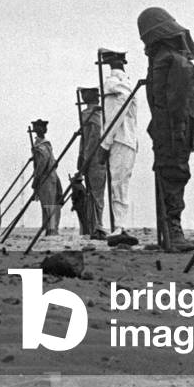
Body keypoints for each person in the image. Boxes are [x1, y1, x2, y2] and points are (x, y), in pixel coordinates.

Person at [137, 6, 194, 253]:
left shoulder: (161, 60)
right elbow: (177, 103)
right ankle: (173, 234)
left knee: (168, 176)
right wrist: (178, 133)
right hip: (175, 130)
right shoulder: (174, 60)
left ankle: (169, 233)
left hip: (166, 130)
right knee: (175, 175)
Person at [99, 49, 140, 247]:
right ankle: (119, 226)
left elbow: (116, 115)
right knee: (120, 183)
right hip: (126, 140)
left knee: (118, 184)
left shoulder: (113, 83)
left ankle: (120, 227)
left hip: (120, 139)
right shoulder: (126, 82)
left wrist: (105, 143)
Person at [77, 89, 107, 240]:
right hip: (92, 158)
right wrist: (81, 156)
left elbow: (93, 138)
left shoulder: (94, 115)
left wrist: (84, 158)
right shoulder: (92, 114)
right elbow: (86, 138)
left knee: (96, 193)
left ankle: (97, 226)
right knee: (94, 193)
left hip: (94, 158)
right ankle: (93, 226)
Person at [31, 119, 62, 236]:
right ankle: (50, 229)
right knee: (48, 204)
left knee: (49, 204)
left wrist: (36, 179)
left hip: (46, 178)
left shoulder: (42, 146)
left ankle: (51, 230)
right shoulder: (44, 145)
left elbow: (42, 164)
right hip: (50, 177)